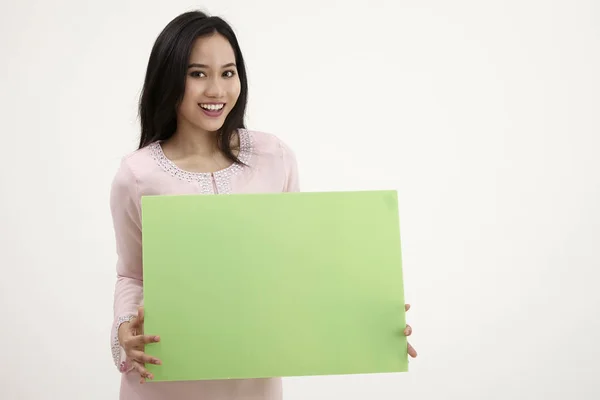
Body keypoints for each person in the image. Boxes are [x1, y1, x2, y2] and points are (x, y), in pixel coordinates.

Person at [109, 10, 417, 400]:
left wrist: (371, 319)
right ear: (169, 77)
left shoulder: (275, 156)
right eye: (198, 73)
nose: (217, 90)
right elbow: (132, 276)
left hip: (254, 383)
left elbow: (301, 269)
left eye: (228, 72)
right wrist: (124, 328)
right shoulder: (136, 175)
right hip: (166, 379)